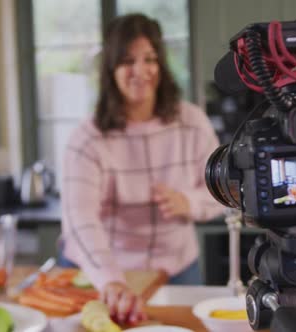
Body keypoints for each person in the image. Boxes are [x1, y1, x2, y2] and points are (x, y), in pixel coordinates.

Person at [60, 14, 223, 325]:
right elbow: (79, 221)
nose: (140, 71)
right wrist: (110, 280)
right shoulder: (88, 139)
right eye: (127, 61)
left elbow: (223, 193)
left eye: (149, 59)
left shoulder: (192, 122)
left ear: (161, 65)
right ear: (111, 70)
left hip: (178, 269)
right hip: (110, 274)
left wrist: (188, 202)